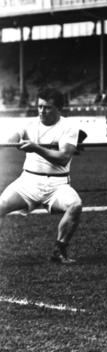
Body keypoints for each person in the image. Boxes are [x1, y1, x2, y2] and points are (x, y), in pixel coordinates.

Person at [0, 89, 82, 264]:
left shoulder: (69, 127)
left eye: (47, 107)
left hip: (57, 184)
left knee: (75, 206)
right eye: (39, 106)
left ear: (58, 108)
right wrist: (7, 141)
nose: (41, 111)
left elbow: (63, 158)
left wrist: (36, 148)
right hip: (28, 182)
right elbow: (11, 139)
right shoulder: (29, 124)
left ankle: (59, 251)